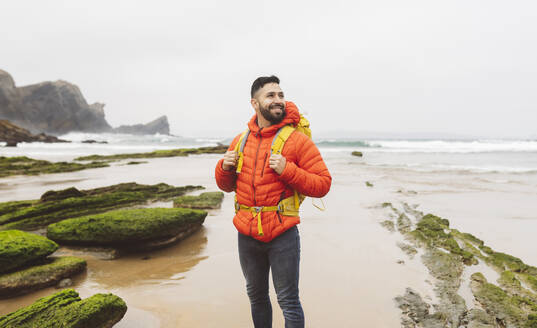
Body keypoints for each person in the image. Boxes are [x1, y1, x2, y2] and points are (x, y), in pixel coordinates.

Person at [215, 75, 331, 328]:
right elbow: (225, 186)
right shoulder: (240, 140)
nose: (278, 100)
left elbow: (323, 184)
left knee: (288, 300)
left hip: (283, 234)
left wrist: (288, 170)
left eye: (280, 95)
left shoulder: (297, 140)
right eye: (270, 96)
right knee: (256, 297)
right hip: (246, 234)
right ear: (255, 104)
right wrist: (223, 167)